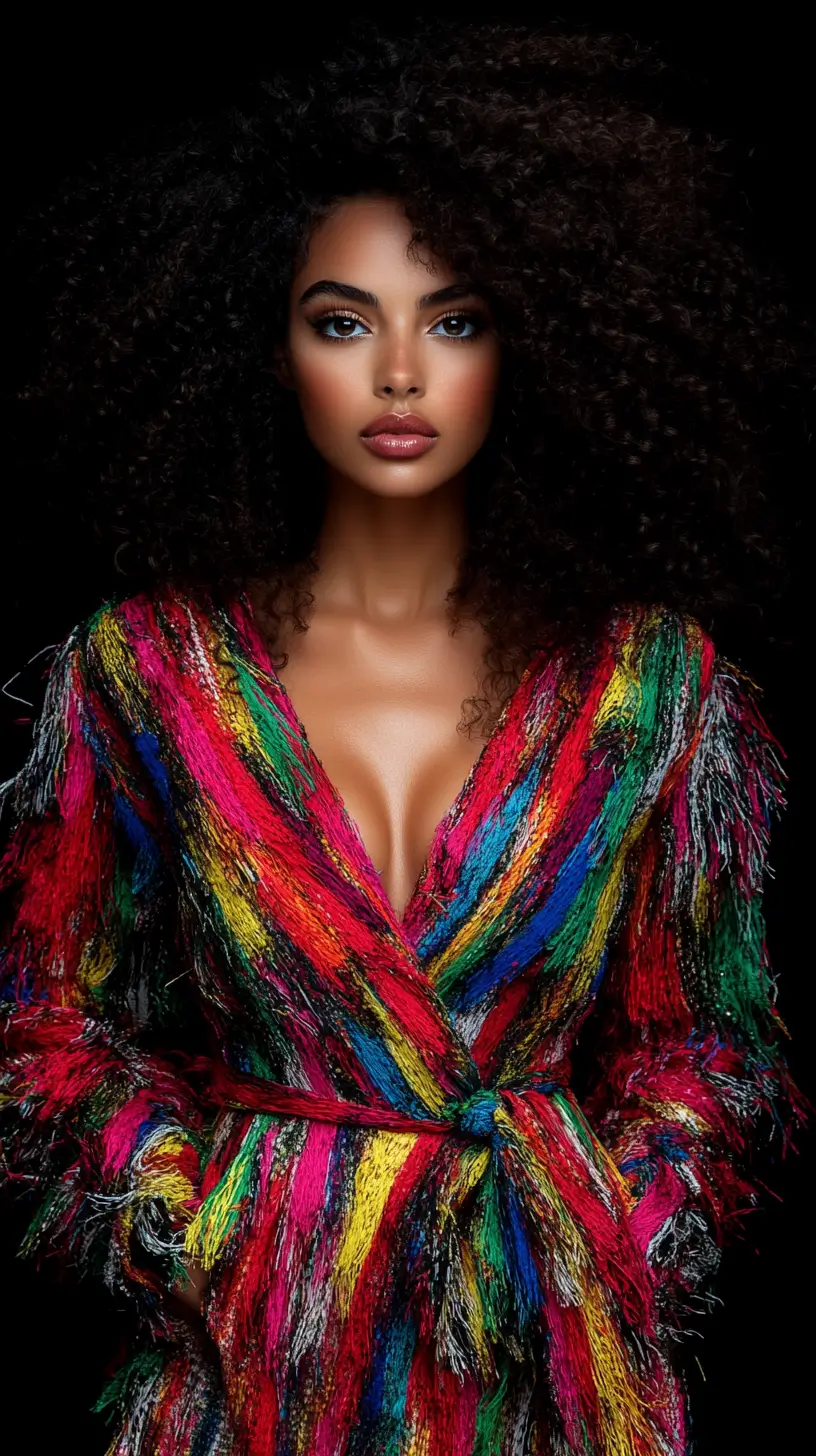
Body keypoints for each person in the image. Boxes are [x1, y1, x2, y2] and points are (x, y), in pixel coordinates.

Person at [0, 22, 807, 1456]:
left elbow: (700, 1036)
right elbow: (57, 1020)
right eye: (341, 318)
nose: (397, 374)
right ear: (267, 343)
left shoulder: (646, 690)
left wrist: (628, 1215)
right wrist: (185, 1213)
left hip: (546, 1368)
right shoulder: (151, 675)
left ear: (534, 336)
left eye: (453, 318)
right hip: (256, 1367)